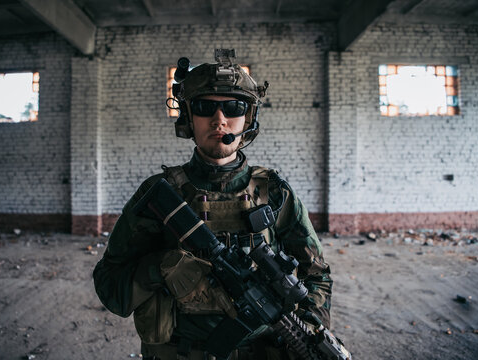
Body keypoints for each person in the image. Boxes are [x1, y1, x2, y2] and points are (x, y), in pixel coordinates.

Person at [93, 49, 333, 360]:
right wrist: (160, 268)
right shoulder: (159, 195)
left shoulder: (274, 193)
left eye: (233, 107)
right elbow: (111, 286)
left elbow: (317, 275)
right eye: (205, 107)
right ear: (188, 116)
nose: (219, 120)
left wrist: (305, 331)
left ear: (247, 117)